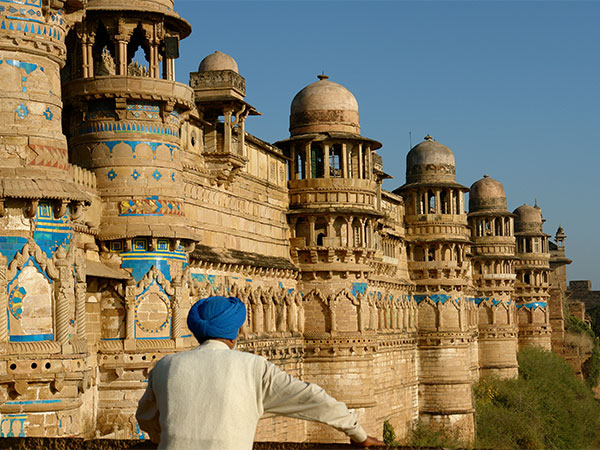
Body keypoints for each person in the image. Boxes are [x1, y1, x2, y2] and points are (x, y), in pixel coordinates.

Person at [136, 296, 386, 449]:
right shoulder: (252, 368)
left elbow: (145, 417)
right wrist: (358, 433)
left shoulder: (166, 366)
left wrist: (162, 438)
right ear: (235, 332)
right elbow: (314, 398)